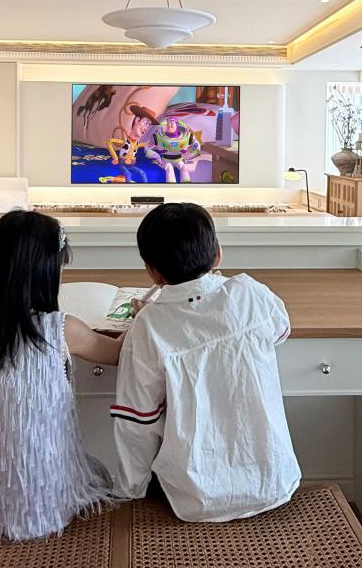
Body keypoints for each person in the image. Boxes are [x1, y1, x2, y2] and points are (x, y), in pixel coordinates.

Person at [110, 203, 301, 521]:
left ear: (152, 272)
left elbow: (136, 421)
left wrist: (131, 490)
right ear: (218, 254)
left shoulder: (149, 326)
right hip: (275, 480)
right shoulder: (250, 292)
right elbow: (281, 331)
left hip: (196, 498)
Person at [0, 209, 122, 541]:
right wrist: (143, 317)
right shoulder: (61, 329)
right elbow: (116, 353)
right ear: (46, 272)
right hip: (46, 500)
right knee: (101, 475)